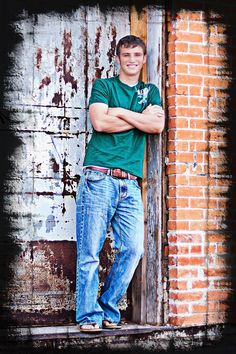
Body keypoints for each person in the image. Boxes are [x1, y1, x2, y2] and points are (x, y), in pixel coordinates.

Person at [76, 35, 165, 332]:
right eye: (126, 55)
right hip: (98, 177)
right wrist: (139, 118)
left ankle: (107, 310)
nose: (131, 60)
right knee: (90, 250)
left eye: (137, 55)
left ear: (143, 58)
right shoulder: (104, 86)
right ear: (118, 57)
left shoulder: (149, 91)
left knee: (133, 250)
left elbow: (156, 125)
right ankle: (89, 317)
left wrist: (122, 113)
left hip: (130, 183)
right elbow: (100, 123)